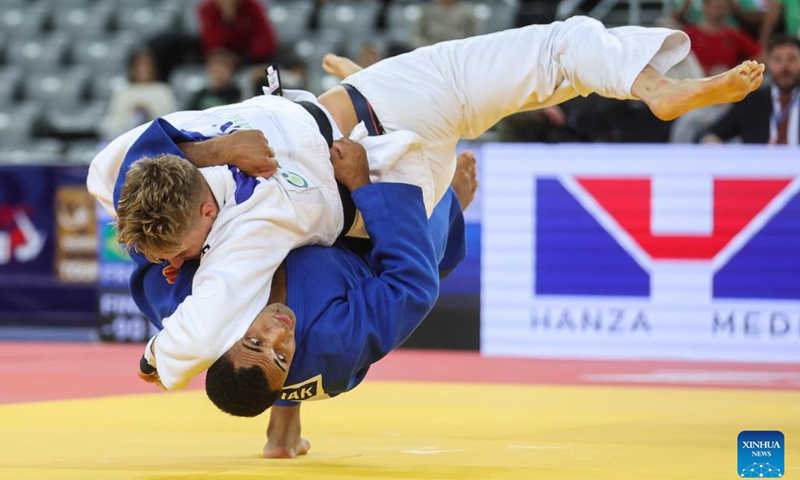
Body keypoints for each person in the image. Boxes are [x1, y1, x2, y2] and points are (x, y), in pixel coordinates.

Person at [87, 16, 765, 395]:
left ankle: (655, 88)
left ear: (202, 219)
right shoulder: (142, 174)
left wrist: (153, 363)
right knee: (557, 48)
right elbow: (111, 173)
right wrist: (222, 147)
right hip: (386, 129)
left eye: (168, 251)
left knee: (544, 55)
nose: (170, 263)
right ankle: (647, 82)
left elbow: (187, 347)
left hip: (393, 141)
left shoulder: (235, 251)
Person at [132, 142, 477, 457]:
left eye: (254, 341)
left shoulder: (192, 306)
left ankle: (283, 430)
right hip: (359, 260)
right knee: (424, 241)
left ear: (226, 337)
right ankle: (451, 209)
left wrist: (174, 256)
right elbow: (411, 283)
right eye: (279, 355)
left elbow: (145, 233)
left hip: (302, 229)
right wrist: (361, 185)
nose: (278, 334)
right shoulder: (333, 339)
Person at [700, 34, 800, 144]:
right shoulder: (750, 102)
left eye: (792, 59)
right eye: (777, 60)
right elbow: (710, 133)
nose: (784, 67)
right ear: (768, 63)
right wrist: (710, 142)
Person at [98, 49, 178, 142]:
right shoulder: (123, 91)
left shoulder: (162, 91)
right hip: (126, 140)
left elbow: (172, 120)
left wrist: (149, 113)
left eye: (147, 65)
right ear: (132, 68)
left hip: (158, 140)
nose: (144, 69)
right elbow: (112, 122)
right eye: (140, 65)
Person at [682, 0, 762, 75]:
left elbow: (760, 55)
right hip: (697, 81)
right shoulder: (690, 33)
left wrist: (737, 69)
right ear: (705, 6)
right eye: (716, 6)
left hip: (728, 82)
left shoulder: (733, 35)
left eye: (722, 7)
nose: (719, 11)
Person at [197, 0, 280, 66]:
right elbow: (212, 44)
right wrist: (227, 19)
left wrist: (245, 56)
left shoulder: (253, 7)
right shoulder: (207, 10)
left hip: (250, 59)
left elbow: (268, 41)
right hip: (222, 59)